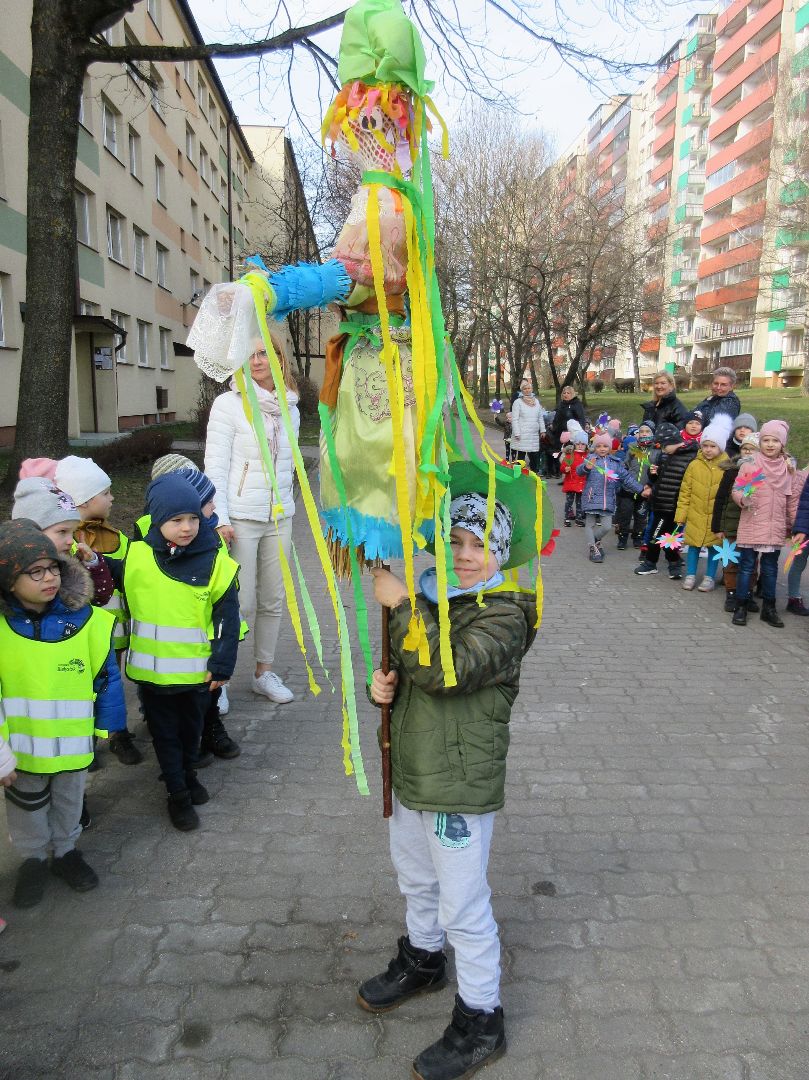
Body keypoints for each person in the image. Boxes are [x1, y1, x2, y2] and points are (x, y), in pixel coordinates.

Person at [360, 487, 538, 1080]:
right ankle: (424, 958)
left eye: (478, 544)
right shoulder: (428, 598)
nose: (463, 555)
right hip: (413, 769)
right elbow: (409, 672)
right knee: (415, 878)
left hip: (459, 782)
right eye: (453, 541)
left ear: (500, 553)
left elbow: (445, 671)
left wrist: (402, 603)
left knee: (463, 904)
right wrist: (380, 690)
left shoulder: (505, 615)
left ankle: (482, 1018)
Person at [0, 520, 125, 908]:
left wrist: (109, 725)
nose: (49, 578)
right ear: (8, 581)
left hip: (73, 745)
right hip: (22, 752)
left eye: (52, 567)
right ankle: (34, 859)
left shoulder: (86, 621)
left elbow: (106, 676)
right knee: (26, 809)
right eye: (35, 572)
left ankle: (66, 852)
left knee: (70, 803)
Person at [122, 475, 241, 830]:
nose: (187, 527)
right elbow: (115, 588)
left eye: (193, 518)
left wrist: (222, 663)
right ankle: (177, 794)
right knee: (165, 735)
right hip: (153, 676)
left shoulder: (215, 560)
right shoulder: (137, 554)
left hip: (195, 675)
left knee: (191, 734)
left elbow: (227, 617)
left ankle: (188, 774)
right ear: (157, 520)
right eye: (176, 520)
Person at [205, 333, 300, 705]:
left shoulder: (290, 406)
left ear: (279, 357)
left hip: (280, 518)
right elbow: (215, 466)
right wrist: (220, 517)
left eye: (265, 353)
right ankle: (221, 680)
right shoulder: (228, 405)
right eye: (250, 355)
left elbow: (290, 465)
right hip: (240, 519)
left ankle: (264, 673)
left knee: (273, 598)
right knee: (238, 602)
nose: (257, 361)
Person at [135, 461, 241, 759]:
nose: (214, 507)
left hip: (211, 629)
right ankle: (177, 739)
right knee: (177, 701)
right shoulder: (149, 533)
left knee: (208, 689)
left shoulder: (210, 532)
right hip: (171, 641)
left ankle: (209, 728)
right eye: (207, 502)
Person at [54, 455, 141, 766]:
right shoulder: (62, 540)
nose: (112, 498)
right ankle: (85, 738)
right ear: (84, 500)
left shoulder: (116, 538)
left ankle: (117, 734)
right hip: (76, 635)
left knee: (111, 686)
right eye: (106, 493)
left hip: (113, 634)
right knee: (82, 687)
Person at [731, 420, 804, 628]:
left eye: (775, 441)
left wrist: (796, 527)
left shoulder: (788, 469)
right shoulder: (750, 465)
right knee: (747, 567)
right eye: (766, 440)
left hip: (775, 526)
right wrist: (743, 498)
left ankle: (769, 609)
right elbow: (737, 490)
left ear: (782, 444)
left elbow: (792, 501)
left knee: (771, 568)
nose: (770, 444)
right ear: (760, 442)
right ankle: (741, 605)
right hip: (752, 523)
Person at [634, 421, 700, 579]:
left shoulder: (691, 457)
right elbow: (655, 479)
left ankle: (662, 563)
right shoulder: (664, 455)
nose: (662, 449)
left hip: (676, 505)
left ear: (673, 442)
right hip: (660, 504)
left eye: (664, 446)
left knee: (668, 537)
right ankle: (662, 563)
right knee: (657, 535)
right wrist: (653, 474)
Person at [674, 416, 731, 592]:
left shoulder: (727, 467)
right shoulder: (694, 465)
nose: (708, 449)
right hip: (695, 513)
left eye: (713, 446)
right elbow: (685, 491)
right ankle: (690, 575)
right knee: (693, 545)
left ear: (720, 447)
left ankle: (709, 577)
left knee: (714, 547)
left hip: (716, 517)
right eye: (705, 445)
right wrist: (681, 515)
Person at [576, 432, 651, 563]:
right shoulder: (590, 459)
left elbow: (627, 479)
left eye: (605, 446)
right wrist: (586, 467)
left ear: (610, 448)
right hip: (591, 497)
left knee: (606, 527)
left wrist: (640, 490)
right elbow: (579, 471)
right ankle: (593, 548)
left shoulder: (615, 462)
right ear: (595, 447)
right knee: (590, 524)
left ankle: (595, 540)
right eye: (599, 446)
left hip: (608, 499)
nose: (602, 449)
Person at [712, 432, 762, 614]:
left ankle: (748, 592)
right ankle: (731, 593)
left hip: (753, 526)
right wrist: (717, 526)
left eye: (752, 449)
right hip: (731, 525)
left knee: (751, 562)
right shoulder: (732, 471)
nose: (747, 452)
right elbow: (720, 500)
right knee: (731, 561)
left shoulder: (762, 473)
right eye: (745, 448)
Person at [614, 422, 658, 549]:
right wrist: (622, 471)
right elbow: (625, 464)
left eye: (647, 431)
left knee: (641, 515)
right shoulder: (633, 447)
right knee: (625, 514)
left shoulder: (656, 450)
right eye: (641, 431)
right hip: (628, 488)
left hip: (645, 489)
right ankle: (622, 537)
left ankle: (638, 537)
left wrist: (652, 485)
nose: (644, 434)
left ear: (653, 433)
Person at [510, 385, 546, 475]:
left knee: (534, 456)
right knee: (521, 456)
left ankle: (534, 475)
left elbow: (540, 417)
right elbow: (515, 419)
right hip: (522, 434)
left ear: (532, 389)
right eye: (525, 389)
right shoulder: (518, 402)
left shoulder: (536, 402)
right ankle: (519, 475)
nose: (527, 390)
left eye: (529, 388)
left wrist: (543, 430)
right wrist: (517, 433)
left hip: (533, 434)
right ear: (522, 390)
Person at [787, 470, 809, 616]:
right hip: (805, 530)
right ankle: (793, 599)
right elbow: (805, 503)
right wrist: (800, 529)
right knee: (798, 564)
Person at [560, 430, 587, 527]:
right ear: (574, 444)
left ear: (586, 445)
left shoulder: (587, 456)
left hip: (582, 483)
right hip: (571, 482)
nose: (580, 446)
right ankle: (567, 518)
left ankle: (579, 518)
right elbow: (562, 467)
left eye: (583, 444)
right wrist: (565, 469)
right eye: (578, 444)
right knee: (569, 502)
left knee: (580, 502)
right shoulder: (570, 456)